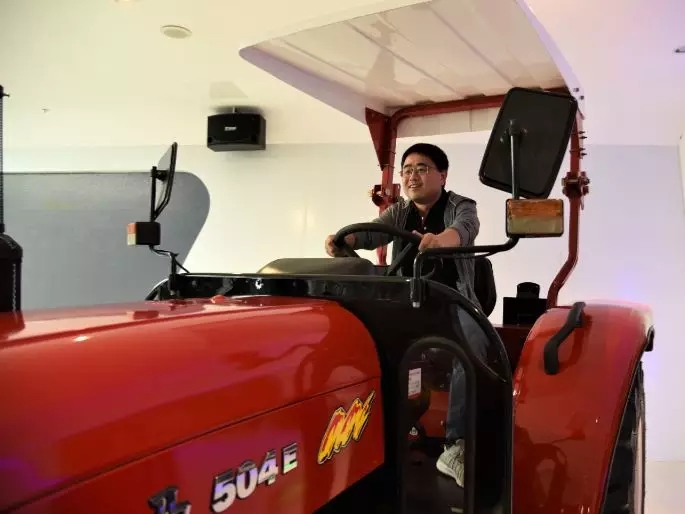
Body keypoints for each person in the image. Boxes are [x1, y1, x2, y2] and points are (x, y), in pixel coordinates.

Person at [325, 142, 481, 488]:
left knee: (469, 350)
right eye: (407, 170)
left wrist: (441, 240)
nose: (413, 176)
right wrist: (344, 239)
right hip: (406, 305)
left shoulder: (461, 206)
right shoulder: (399, 212)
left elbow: (464, 230)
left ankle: (456, 445)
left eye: (422, 168)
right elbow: (370, 232)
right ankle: (367, 431)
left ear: (442, 175)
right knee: (363, 345)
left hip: (451, 303)